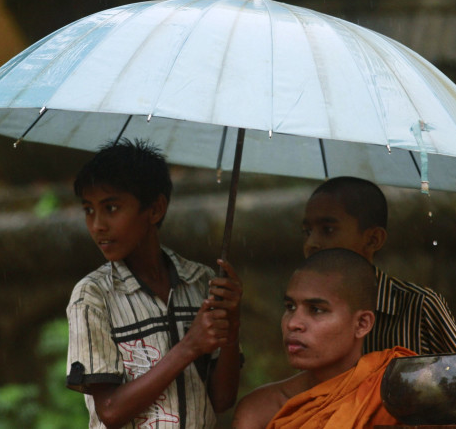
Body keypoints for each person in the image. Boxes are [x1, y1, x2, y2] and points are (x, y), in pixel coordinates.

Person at [65, 139, 243, 429]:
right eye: (89, 210)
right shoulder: (93, 296)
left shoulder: (201, 283)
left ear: (156, 209)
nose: (97, 225)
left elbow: (222, 399)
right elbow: (109, 411)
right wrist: (189, 347)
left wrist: (232, 326)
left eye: (111, 208)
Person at [232, 248, 416, 429]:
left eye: (316, 310)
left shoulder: (400, 393)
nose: (293, 323)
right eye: (290, 307)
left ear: (362, 324)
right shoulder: (259, 410)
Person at [301, 176, 456, 355]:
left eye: (328, 230)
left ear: (373, 239)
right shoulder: (306, 310)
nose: (311, 243)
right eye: (307, 232)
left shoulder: (419, 306)